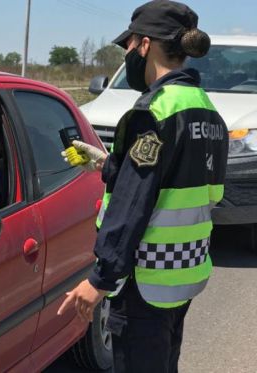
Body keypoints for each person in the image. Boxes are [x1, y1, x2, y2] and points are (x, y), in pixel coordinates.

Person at [57, 1, 229, 372]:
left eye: (131, 45)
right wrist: (108, 163)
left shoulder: (153, 111)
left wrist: (100, 279)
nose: (130, 53)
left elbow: (133, 204)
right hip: (184, 272)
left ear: (146, 44)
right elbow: (191, 186)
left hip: (145, 280)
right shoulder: (206, 109)